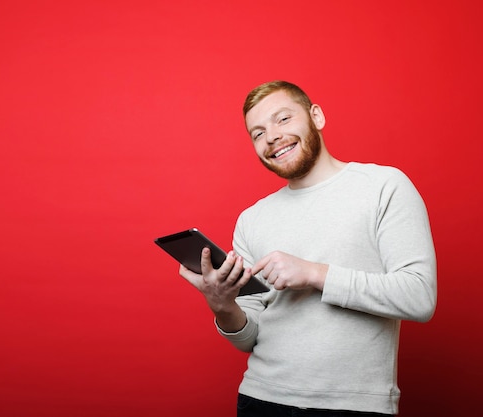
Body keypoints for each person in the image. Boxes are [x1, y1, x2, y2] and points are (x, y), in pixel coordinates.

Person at [179, 80, 437, 417]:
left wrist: (315, 274)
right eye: (257, 133)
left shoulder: (383, 187)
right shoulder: (252, 219)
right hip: (260, 400)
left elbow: (419, 297)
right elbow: (248, 338)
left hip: (352, 406)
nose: (271, 136)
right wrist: (222, 306)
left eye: (283, 119)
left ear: (316, 116)